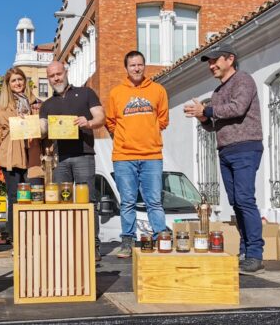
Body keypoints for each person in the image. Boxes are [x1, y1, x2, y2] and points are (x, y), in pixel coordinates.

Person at [184, 43, 265, 274]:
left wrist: (207, 111)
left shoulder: (243, 80)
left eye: (214, 60)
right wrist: (201, 117)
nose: (211, 66)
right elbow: (213, 126)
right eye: (209, 62)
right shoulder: (217, 92)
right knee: (237, 202)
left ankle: (255, 254)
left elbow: (238, 108)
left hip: (245, 148)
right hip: (226, 150)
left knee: (245, 199)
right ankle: (246, 249)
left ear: (230, 59)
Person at [105, 51, 169, 258]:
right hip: (124, 156)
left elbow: (163, 119)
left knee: (154, 201)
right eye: (132, 65)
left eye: (140, 64)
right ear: (126, 68)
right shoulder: (116, 93)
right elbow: (110, 122)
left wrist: (147, 133)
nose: (136, 68)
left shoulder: (158, 90)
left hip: (152, 155)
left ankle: (161, 236)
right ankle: (127, 241)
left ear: (144, 66)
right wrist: (126, 138)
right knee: (127, 201)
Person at [39, 60, 105, 259]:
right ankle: (65, 244)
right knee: (61, 201)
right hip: (61, 158)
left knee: (88, 201)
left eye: (58, 74)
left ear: (65, 72)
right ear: (48, 79)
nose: (56, 78)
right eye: (52, 76)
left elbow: (101, 117)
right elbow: (42, 129)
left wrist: (89, 122)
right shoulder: (47, 105)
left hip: (84, 155)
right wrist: (29, 124)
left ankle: (92, 246)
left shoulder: (86, 93)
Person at [0, 67, 43, 243]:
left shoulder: (36, 103)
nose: (17, 83)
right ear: (8, 85)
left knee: (34, 195)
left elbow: (43, 128)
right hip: (11, 155)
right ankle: (16, 238)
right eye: (13, 81)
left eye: (19, 79)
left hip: (32, 155)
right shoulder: (2, 107)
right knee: (14, 196)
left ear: (25, 81)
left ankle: (34, 236)